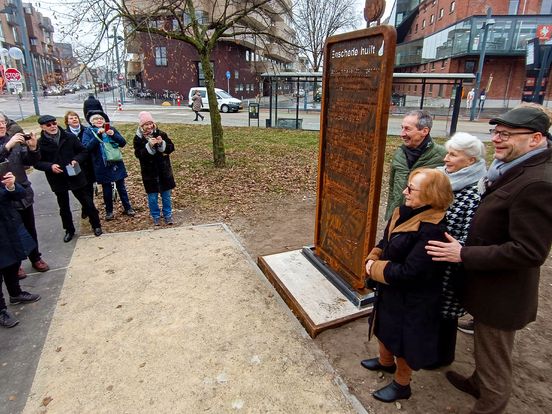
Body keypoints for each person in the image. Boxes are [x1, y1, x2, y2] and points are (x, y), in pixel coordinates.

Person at [426, 105, 552, 413]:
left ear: (535, 139)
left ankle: (490, 402)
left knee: (495, 354)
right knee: (484, 343)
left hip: (503, 293)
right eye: (496, 132)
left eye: (507, 134)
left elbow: (529, 251)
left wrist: (463, 253)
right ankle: (477, 381)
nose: (496, 139)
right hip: (487, 282)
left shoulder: (537, 182)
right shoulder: (511, 167)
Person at [361, 168, 453, 403]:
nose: (404, 191)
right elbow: (385, 240)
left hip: (413, 298)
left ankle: (402, 384)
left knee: (403, 340)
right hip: (390, 289)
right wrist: (373, 255)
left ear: (431, 195)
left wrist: (373, 268)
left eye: (411, 188)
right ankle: (385, 363)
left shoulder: (433, 231)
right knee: (382, 325)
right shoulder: (403, 212)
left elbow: (411, 272)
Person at [434, 132, 487, 367]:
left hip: (451, 263)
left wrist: (458, 253)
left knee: (445, 312)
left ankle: (442, 357)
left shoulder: (474, 193)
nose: (446, 159)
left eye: (453, 155)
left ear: (470, 161)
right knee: (431, 308)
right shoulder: (443, 178)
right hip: (433, 257)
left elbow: (471, 235)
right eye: (447, 153)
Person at [34, 115, 102, 242]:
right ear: (42, 127)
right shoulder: (40, 143)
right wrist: (50, 166)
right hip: (57, 177)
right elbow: (37, 162)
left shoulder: (69, 137)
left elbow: (83, 152)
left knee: (86, 201)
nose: (52, 126)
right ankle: (69, 230)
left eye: (54, 123)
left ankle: (96, 224)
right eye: (48, 125)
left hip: (74, 173)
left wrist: (76, 160)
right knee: (63, 206)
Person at [0, 112, 50, 278]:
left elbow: (29, 162)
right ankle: (16, 264)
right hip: (3, 198)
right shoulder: (9, 143)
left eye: (2, 122)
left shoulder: (12, 140)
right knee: (9, 233)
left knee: (29, 227)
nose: (1, 125)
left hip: (21, 191)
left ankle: (35, 257)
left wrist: (33, 147)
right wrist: (7, 147)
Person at [385, 110, 446, 220]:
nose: (402, 134)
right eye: (402, 128)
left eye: (407, 129)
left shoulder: (442, 156)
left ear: (424, 131)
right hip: (397, 217)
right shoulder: (399, 154)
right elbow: (392, 188)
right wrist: (390, 215)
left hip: (423, 221)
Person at [0, 171, 41, 328]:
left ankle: (16, 294)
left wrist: (11, 186)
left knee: (13, 264)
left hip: (9, 228)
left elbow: (20, 194)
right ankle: (1, 310)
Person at [82, 112, 135, 220]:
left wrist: (113, 135)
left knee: (121, 187)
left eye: (101, 118)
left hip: (116, 162)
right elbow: (87, 148)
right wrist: (98, 136)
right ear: (92, 122)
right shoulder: (88, 132)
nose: (99, 120)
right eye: (96, 119)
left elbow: (123, 143)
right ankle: (109, 211)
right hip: (101, 163)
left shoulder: (111, 129)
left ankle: (128, 208)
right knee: (106, 188)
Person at [133, 111, 176, 225]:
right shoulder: (138, 138)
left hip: (163, 170)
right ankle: (156, 216)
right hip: (149, 172)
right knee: (152, 197)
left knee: (166, 196)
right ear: (141, 126)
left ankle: (168, 215)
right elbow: (138, 154)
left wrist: (162, 144)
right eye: (146, 124)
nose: (149, 126)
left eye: (151, 123)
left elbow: (171, 148)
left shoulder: (161, 134)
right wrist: (149, 147)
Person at [64, 111, 96, 219]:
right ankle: (86, 207)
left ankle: (89, 209)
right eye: (71, 118)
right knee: (78, 190)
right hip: (74, 165)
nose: (74, 119)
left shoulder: (87, 130)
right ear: (67, 122)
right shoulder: (65, 135)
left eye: (75, 117)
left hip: (88, 164)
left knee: (89, 188)